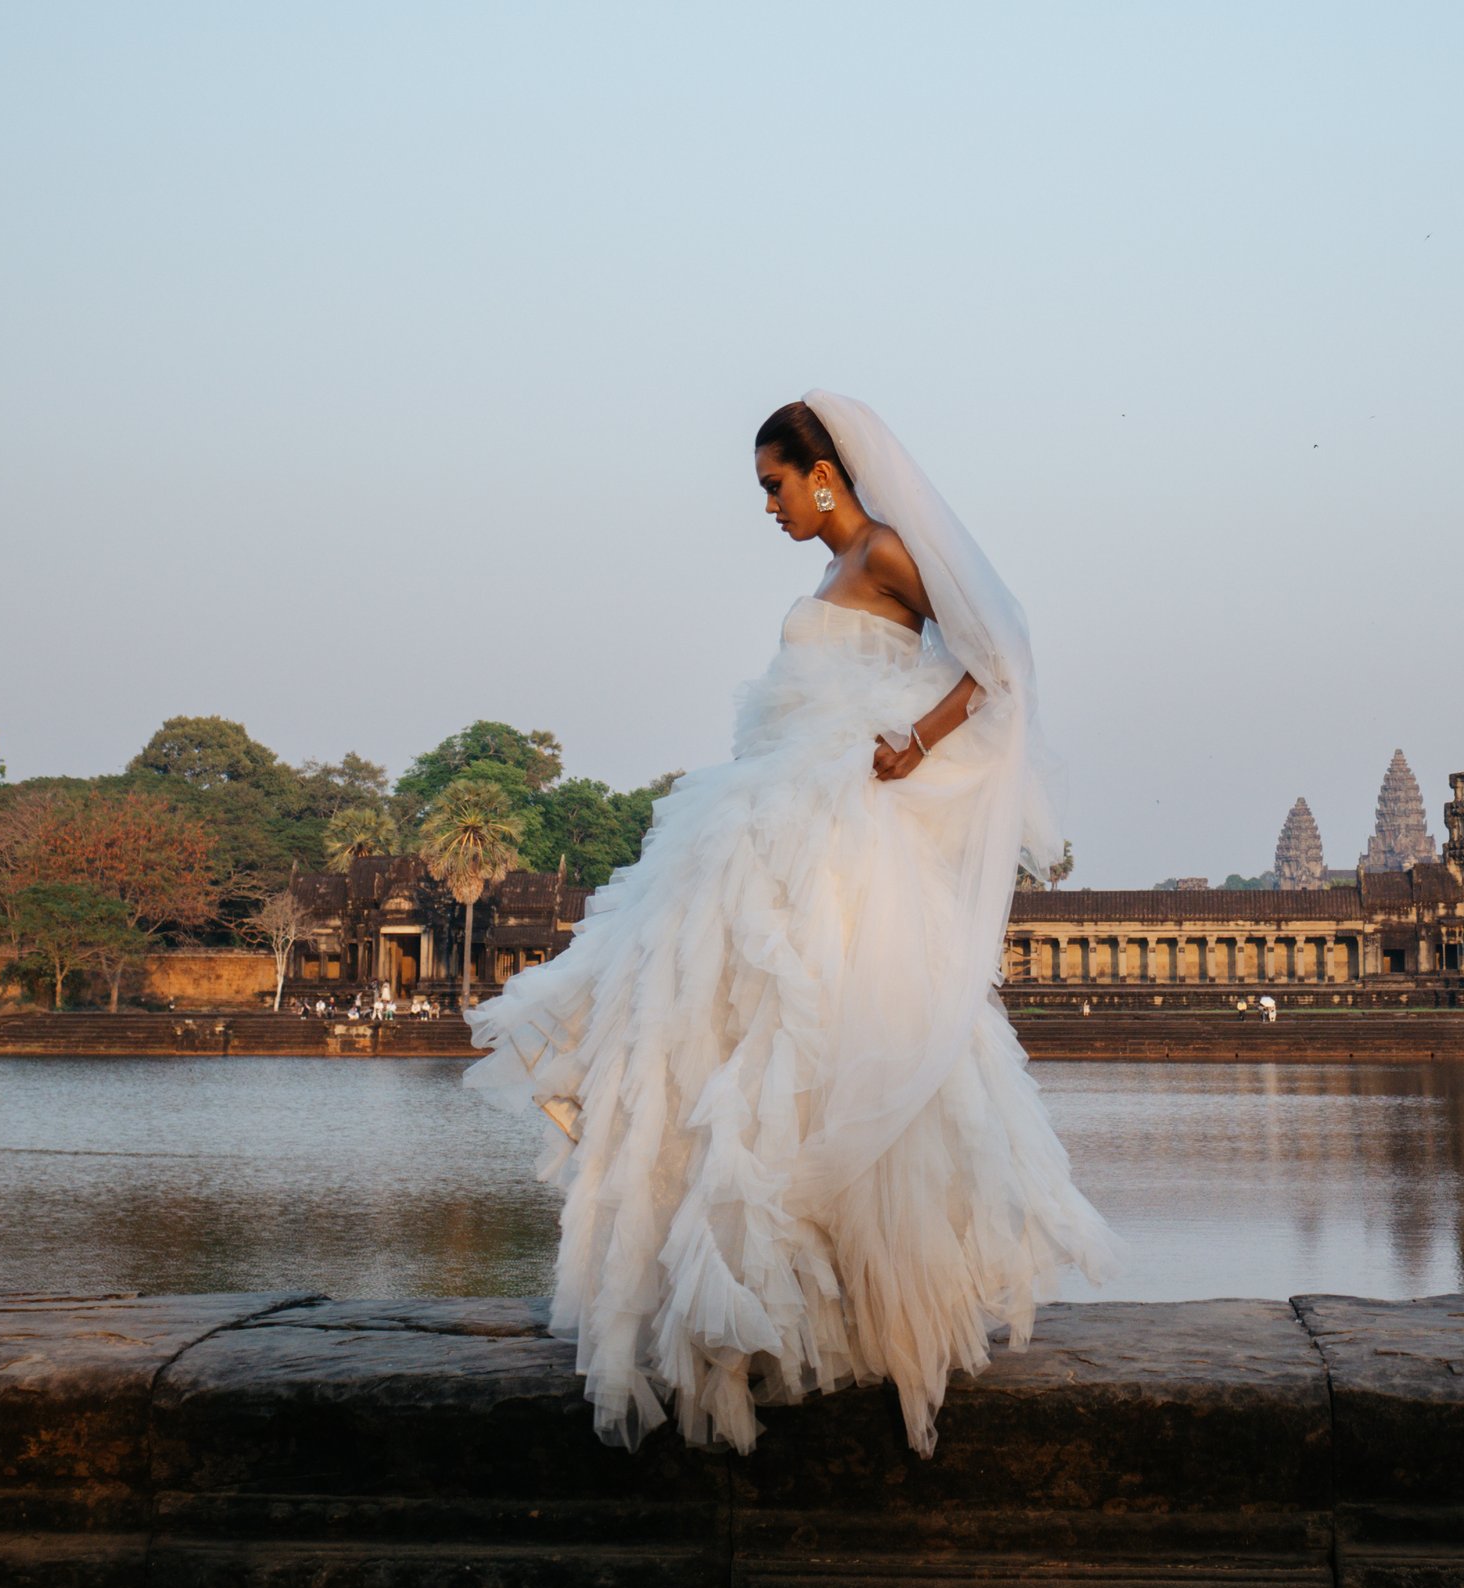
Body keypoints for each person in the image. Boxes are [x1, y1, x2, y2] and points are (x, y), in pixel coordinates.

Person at [463, 393, 1120, 1460]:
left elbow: (1000, 660)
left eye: (775, 484)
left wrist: (915, 740)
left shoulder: (890, 552)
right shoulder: (826, 572)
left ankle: (831, 1305)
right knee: (726, 1012)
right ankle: (765, 1299)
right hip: (785, 795)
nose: (768, 506)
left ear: (825, 471)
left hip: (846, 811)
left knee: (818, 1028)